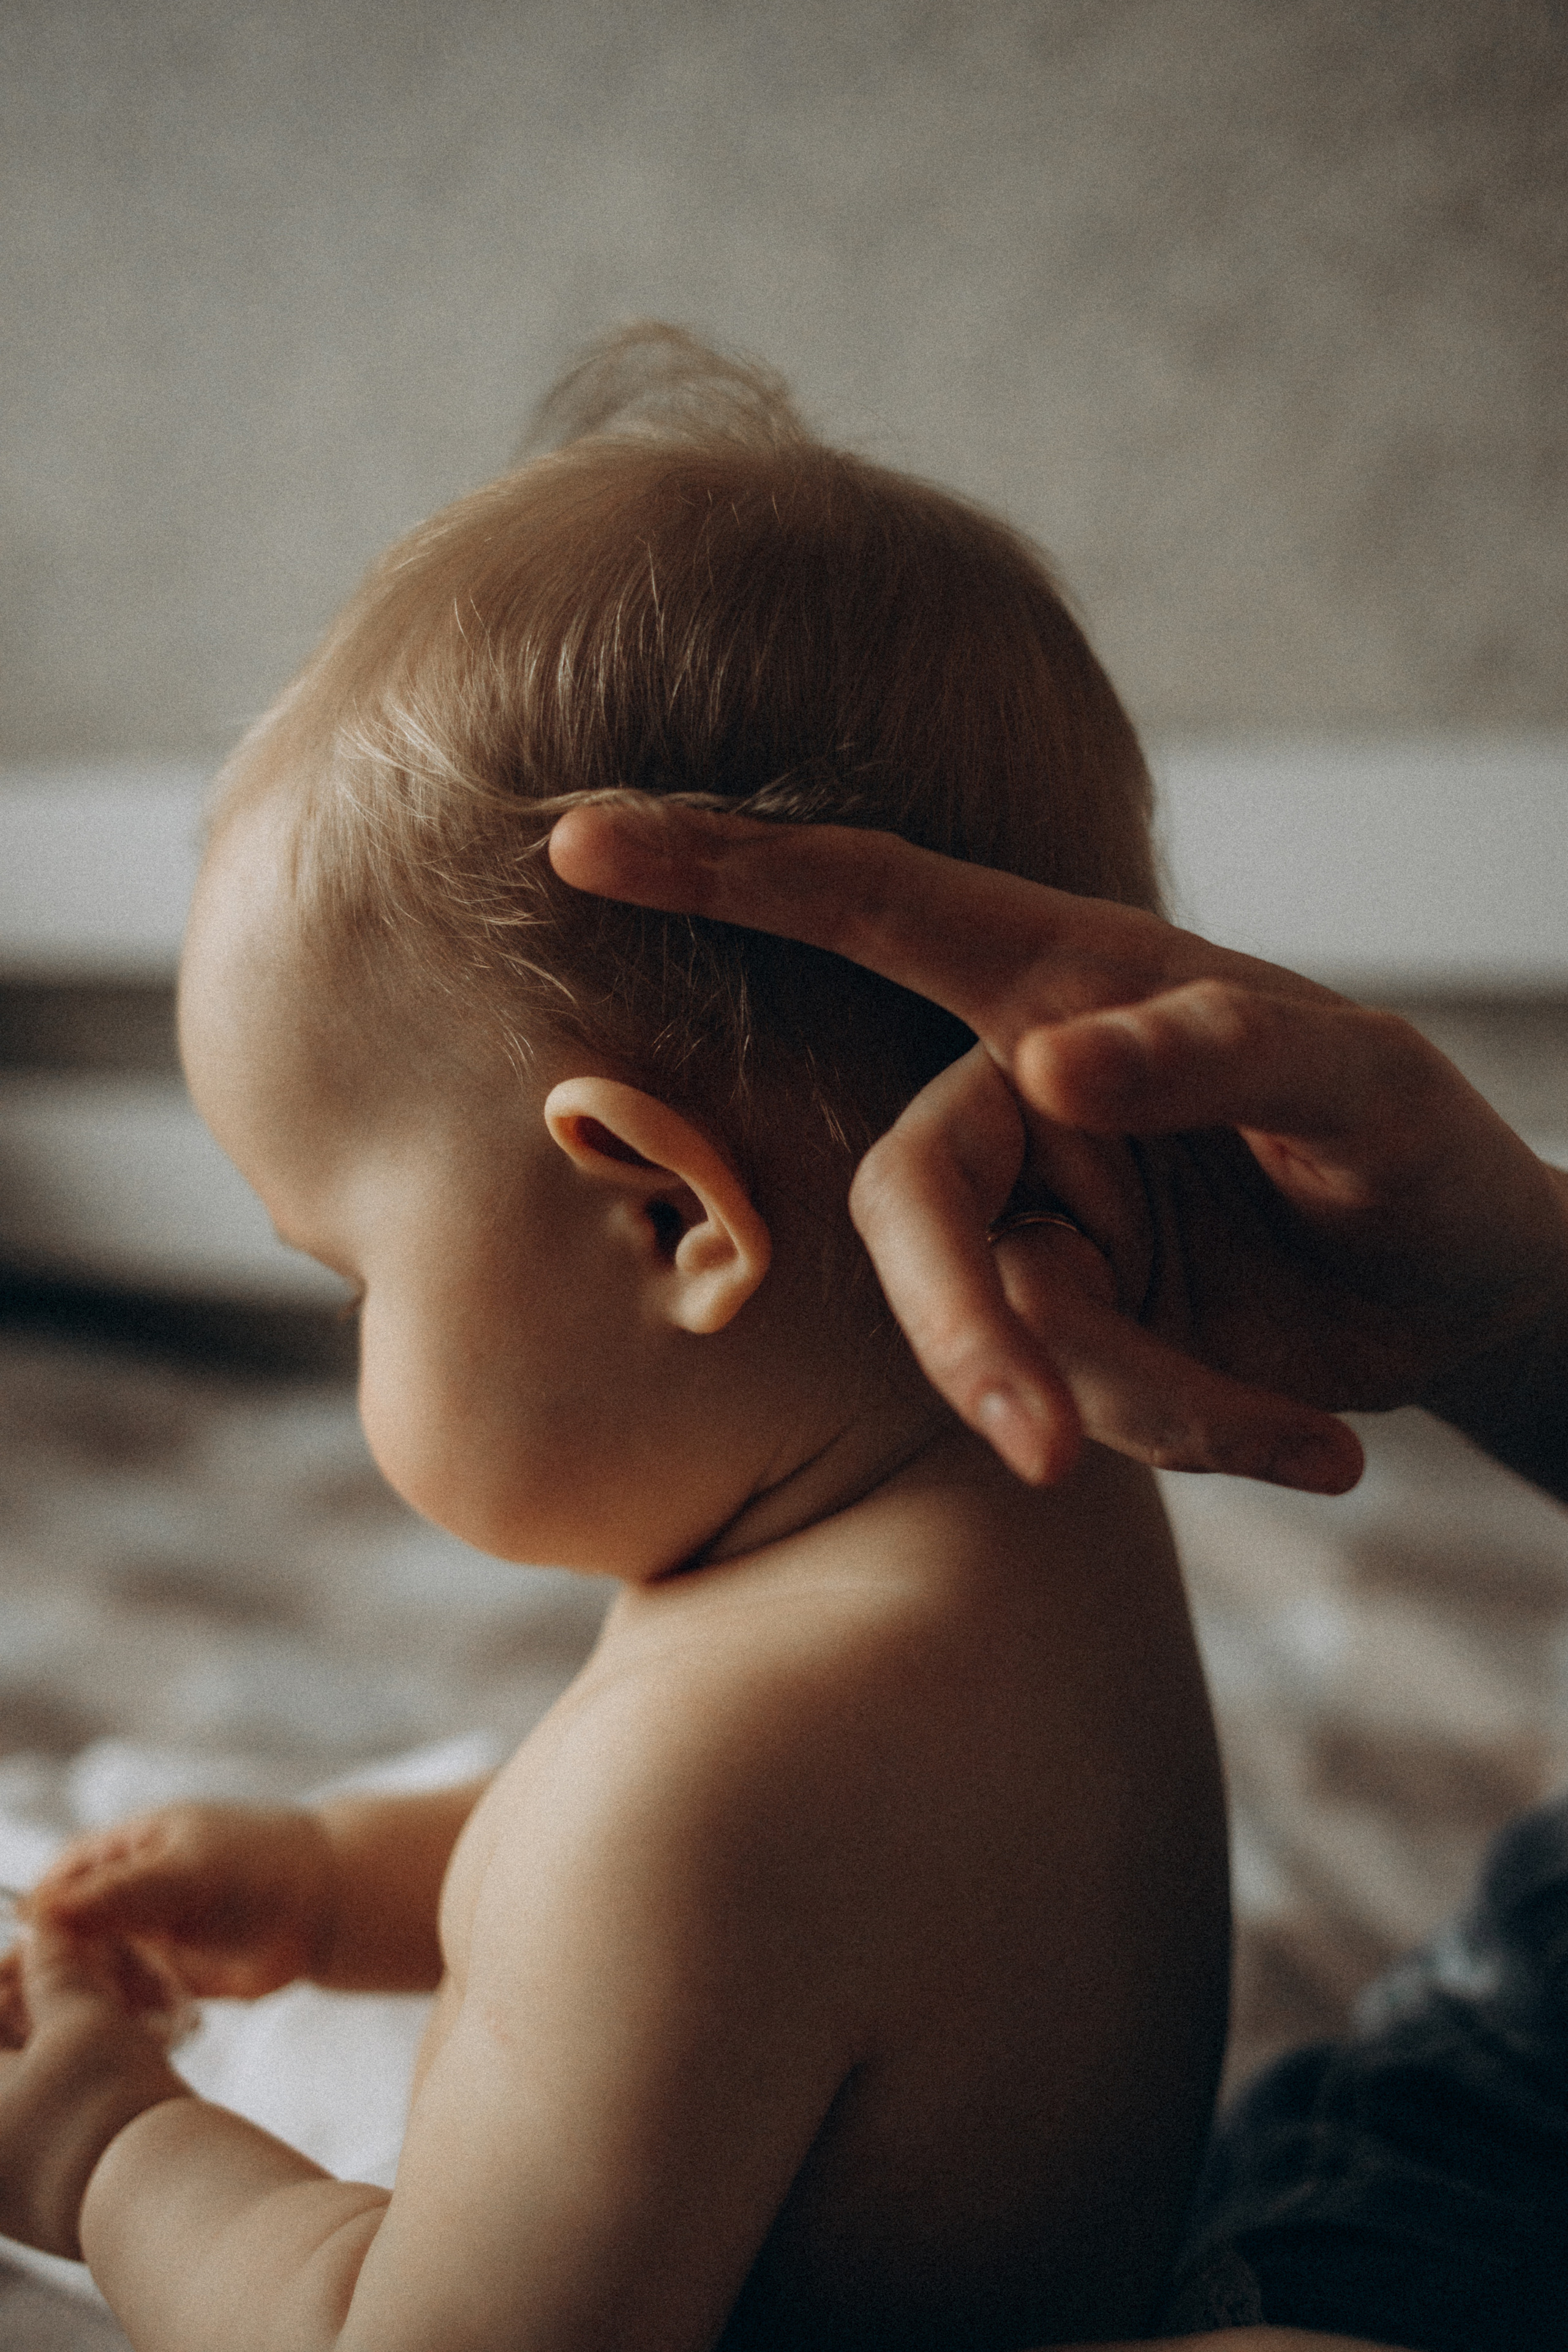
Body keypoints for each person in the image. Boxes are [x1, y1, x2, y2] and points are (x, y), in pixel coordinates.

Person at [0, 328, 1232, 2351]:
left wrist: (105, 2145)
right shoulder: (1009, 1530)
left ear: (666, 1216)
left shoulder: (701, 1788)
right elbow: (733, 1935)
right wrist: (327, 1879)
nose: (359, 1339)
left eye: (354, 1276)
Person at [543, 789, 1568, 2352]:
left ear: (662, 1209)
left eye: (352, 1279)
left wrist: (146, 2155)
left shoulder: (755, 1727)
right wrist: (1529, 1320)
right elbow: (708, 1911)